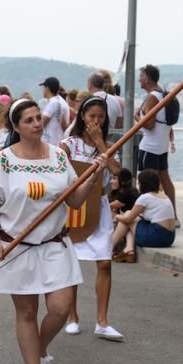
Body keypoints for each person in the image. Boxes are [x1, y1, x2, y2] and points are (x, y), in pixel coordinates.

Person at [0, 99, 104, 364]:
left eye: (39, 118)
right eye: (29, 120)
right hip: (17, 246)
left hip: (54, 245)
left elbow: (74, 201)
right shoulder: (4, 160)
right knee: (27, 312)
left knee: (61, 309)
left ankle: (41, 350)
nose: (37, 124)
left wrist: (93, 175)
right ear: (16, 127)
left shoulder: (59, 158)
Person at [60, 97, 123, 341]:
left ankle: (102, 321)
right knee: (72, 263)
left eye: (100, 117)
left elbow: (118, 172)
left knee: (104, 262)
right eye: (91, 116)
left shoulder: (107, 145)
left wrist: (100, 144)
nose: (96, 121)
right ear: (82, 117)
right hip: (75, 208)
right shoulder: (68, 144)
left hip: (100, 206)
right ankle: (72, 316)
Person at [134, 65, 178, 225]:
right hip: (161, 146)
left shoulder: (152, 97)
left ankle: (147, 215)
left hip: (149, 147)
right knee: (166, 181)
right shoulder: (164, 94)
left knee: (146, 183)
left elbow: (150, 124)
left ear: (147, 78)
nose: (139, 79)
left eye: (140, 76)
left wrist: (137, 117)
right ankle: (173, 216)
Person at [112, 169, 176, 262]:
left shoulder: (145, 198)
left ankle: (108, 249)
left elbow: (127, 219)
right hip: (169, 238)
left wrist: (116, 216)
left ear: (143, 184)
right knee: (131, 219)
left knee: (128, 215)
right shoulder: (164, 195)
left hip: (156, 236)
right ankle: (129, 250)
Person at [40, 77, 68, 146]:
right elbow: (64, 124)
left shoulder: (53, 103)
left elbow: (42, 122)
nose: (43, 90)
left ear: (47, 89)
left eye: (43, 88)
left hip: (50, 141)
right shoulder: (60, 102)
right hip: (56, 140)